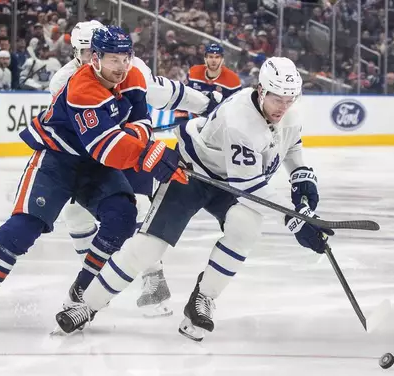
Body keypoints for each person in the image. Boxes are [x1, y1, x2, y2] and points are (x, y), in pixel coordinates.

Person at [54, 57, 332, 341]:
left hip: (232, 180)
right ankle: (87, 305)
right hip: (193, 173)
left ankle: (203, 299)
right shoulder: (239, 118)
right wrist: (296, 220)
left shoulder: (290, 114)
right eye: (277, 98)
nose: (283, 107)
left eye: (289, 99)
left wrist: (301, 177)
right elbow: (248, 187)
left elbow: (291, 146)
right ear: (261, 90)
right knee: (148, 247)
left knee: (245, 228)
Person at [0, 26, 187, 329]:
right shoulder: (80, 86)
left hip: (96, 165)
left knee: (123, 215)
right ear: (95, 57)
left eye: (125, 58)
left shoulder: (133, 77)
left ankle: (82, 289)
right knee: (23, 228)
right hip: (57, 160)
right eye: (112, 59)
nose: (120, 67)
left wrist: (137, 142)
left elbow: (142, 122)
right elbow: (105, 146)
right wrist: (147, 153)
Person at [49, 20, 223, 318]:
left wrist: (206, 104)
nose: (99, 56)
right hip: (95, 158)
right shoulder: (64, 81)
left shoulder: (129, 67)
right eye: (89, 50)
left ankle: (154, 281)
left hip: (133, 150)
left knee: (140, 207)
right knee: (75, 215)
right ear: (80, 52)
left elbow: (166, 93)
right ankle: (91, 277)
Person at [176, 43, 241, 119]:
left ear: (222, 60)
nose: (214, 60)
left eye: (217, 57)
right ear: (205, 59)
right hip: (194, 121)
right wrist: (181, 120)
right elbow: (184, 96)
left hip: (219, 123)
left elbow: (236, 107)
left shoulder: (233, 80)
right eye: (210, 57)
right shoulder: (193, 72)